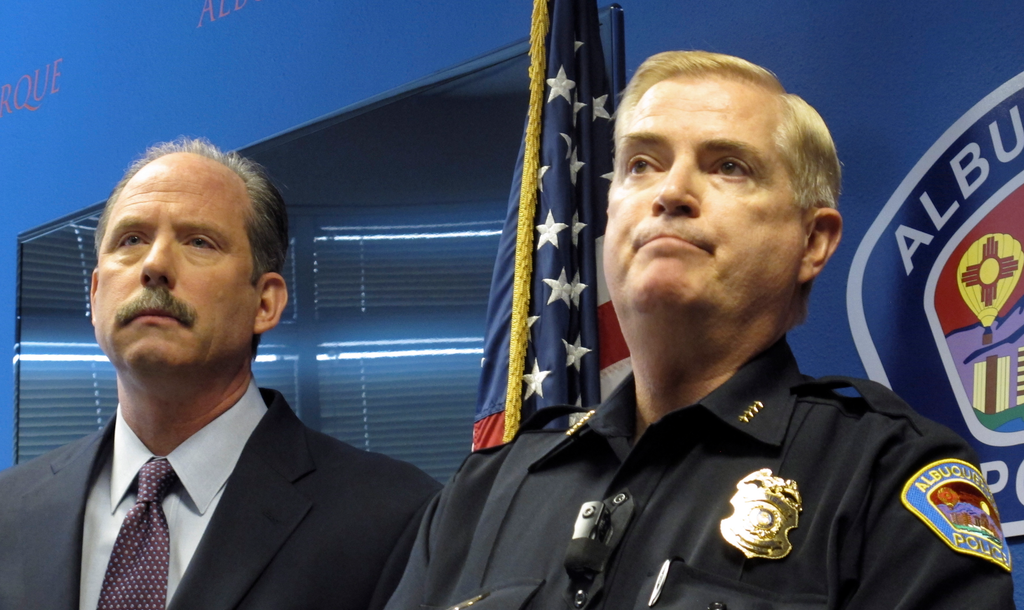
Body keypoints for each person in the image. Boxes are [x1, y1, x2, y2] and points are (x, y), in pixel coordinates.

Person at [384, 51, 1015, 609]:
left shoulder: (886, 476)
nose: (671, 192)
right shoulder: (486, 489)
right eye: (641, 164)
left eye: (728, 167)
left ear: (813, 241)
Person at [0, 138, 441, 610]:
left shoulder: (396, 515)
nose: (154, 265)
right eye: (131, 240)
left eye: (198, 242)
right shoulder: (9, 509)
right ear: (93, 295)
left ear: (265, 302)